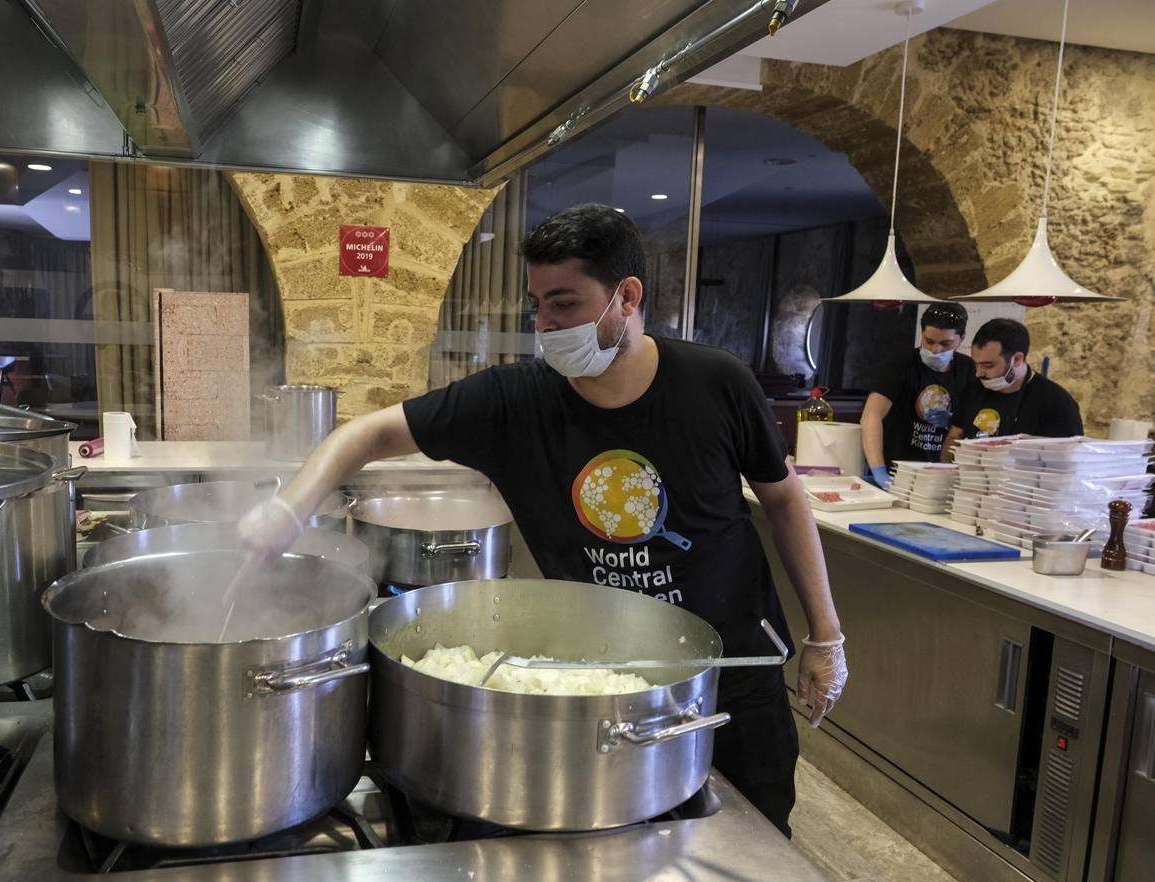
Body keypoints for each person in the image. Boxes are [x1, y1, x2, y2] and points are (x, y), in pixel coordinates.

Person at [242, 204, 847, 838]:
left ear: (627, 296)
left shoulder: (716, 382)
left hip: (729, 677)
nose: (546, 326)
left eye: (564, 304)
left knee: (751, 838)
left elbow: (783, 500)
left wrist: (825, 636)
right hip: (597, 684)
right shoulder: (516, 402)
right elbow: (365, 434)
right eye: (537, 306)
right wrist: (289, 507)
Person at [860, 302, 974, 488]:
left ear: (961, 339)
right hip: (898, 473)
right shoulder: (901, 365)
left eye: (946, 344)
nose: (936, 350)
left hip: (945, 476)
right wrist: (879, 470)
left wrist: (955, 421)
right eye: (929, 341)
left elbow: (974, 423)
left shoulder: (969, 369)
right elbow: (871, 416)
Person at [942, 317, 1083, 460]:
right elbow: (954, 437)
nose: (979, 373)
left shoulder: (1055, 402)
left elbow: (1068, 461)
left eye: (988, 365)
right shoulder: (973, 389)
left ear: (1017, 359)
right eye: (976, 364)